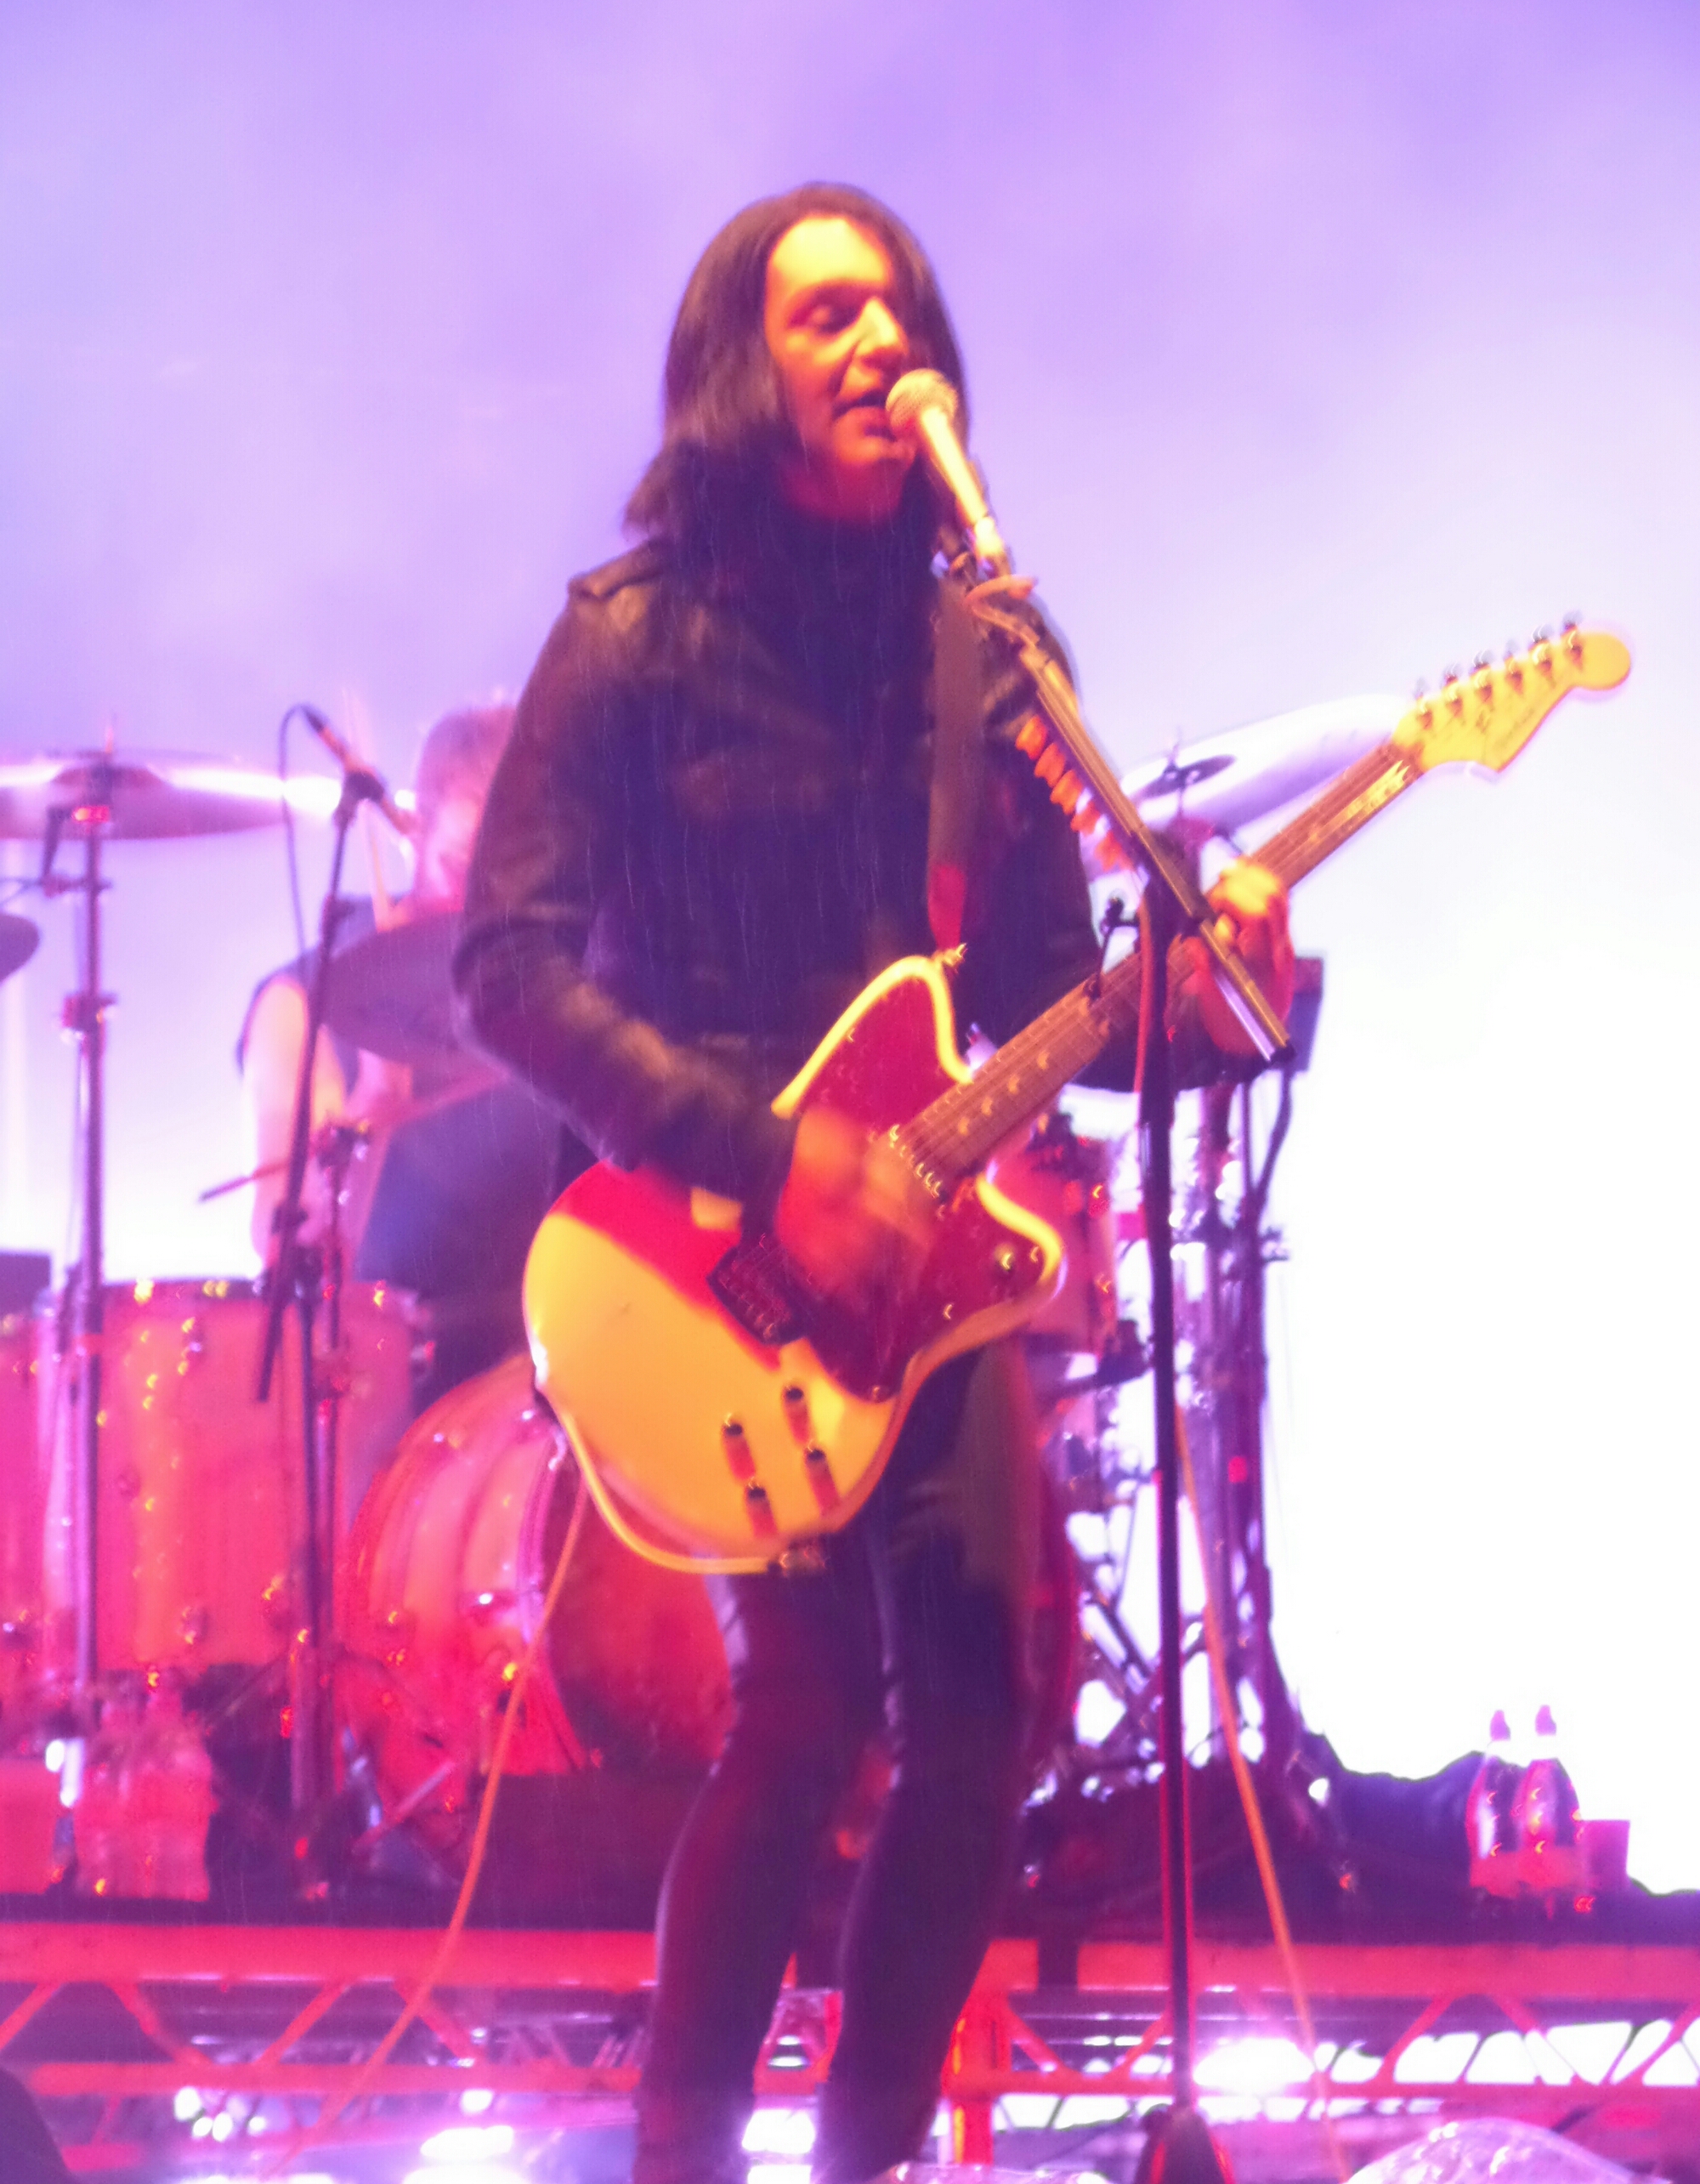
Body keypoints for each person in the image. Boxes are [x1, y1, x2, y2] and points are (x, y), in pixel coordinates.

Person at [454, 184, 1293, 2184]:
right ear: (739, 367)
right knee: (807, 1703)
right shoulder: (628, 641)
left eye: (896, 308)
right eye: (826, 312)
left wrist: (1204, 1000)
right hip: (706, 1244)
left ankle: (862, 2156)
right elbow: (502, 966)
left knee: (982, 1719)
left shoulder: (982, 657)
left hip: (922, 1257)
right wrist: (768, 1157)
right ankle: (682, 2155)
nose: (877, 340)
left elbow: (1037, 1000)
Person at [241, 704, 570, 1405]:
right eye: (462, 864)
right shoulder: (301, 1005)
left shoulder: (561, 982)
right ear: (415, 831)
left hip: (564, 1371)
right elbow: (292, 1256)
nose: (483, 899)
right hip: (389, 1395)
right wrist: (373, 1106)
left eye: (513, 872)